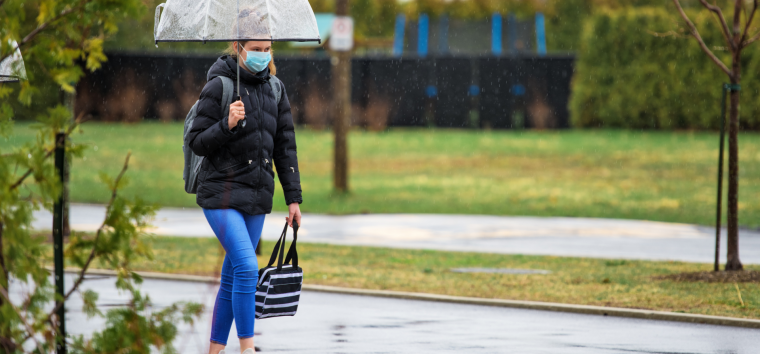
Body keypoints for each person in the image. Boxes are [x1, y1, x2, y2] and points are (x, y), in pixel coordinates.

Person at [186, 9, 302, 354]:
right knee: (248, 268)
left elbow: (285, 147)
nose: (262, 55)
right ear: (238, 47)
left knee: (233, 275)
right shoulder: (218, 85)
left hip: (256, 196)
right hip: (220, 193)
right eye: (256, 48)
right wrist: (227, 124)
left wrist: (293, 198)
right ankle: (247, 348)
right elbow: (197, 141)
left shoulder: (276, 89)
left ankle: (215, 350)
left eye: (267, 49)